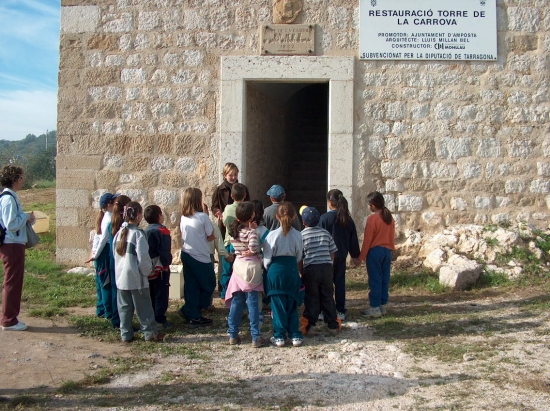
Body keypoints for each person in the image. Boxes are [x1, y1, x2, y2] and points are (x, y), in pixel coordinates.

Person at [113, 201, 164, 343]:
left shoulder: (119, 234)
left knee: (124, 308)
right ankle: (150, 333)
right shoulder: (138, 234)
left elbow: (114, 255)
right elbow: (143, 258)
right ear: (139, 215)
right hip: (136, 278)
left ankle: (126, 334)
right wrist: (148, 271)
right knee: (144, 308)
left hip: (121, 277)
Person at [263, 202, 304, 347]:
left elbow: (267, 258)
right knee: (292, 303)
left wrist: (268, 268)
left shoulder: (271, 235)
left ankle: (279, 335)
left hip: (275, 271)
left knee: (277, 305)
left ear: (276, 216)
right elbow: (299, 256)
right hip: (291, 270)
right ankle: (295, 335)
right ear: (294, 216)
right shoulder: (298, 235)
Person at [0, 166, 35, 331]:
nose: (23, 180)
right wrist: (26, 216)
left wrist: (26, 218)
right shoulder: (8, 199)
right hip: (11, 245)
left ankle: (10, 317)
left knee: (13, 281)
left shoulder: (10, 198)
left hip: (13, 244)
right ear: (14, 179)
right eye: (21, 177)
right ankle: (8, 320)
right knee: (12, 282)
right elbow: (11, 224)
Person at [225, 202, 264, 348]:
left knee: (237, 301)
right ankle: (255, 336)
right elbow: (254, 247)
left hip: (238, 266)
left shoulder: (234, 231)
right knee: (253, 303)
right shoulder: (251, 232)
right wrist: (254, 249)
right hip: (251, 268)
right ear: (251, 215)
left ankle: (233, 334)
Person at [318, 189, 360, 321]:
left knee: (325, 284)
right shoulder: (347, 219)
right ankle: (340, 310)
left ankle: (324, 310)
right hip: (341, 255)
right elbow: (353, 238)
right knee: (340, 282)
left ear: (330, 202)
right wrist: (355, 255)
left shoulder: (324, 219)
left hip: (325, 257)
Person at [177, 187, 216, 327]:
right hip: (200, 255)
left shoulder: (183, 217)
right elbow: (210, 236)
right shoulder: (203, 217)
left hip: (187, 252)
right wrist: (207, 214)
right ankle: (193, 311)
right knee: (208, 283)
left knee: (192, 285)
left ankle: (191, 311)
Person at [299, 207, 340, 336]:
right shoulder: (325, 233)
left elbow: (300, 257)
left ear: (303, 222)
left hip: (311, 269)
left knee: (312, 297)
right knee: (327, 296)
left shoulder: (302, 235)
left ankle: (309, 325)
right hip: (326, 268)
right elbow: (332, 251)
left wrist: (301, 272)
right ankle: (332, 325)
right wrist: (330, 263)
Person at [354, 191, 395, 318]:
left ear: (372, 206)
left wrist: (361, 258)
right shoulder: (389, 217)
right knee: (384, 278)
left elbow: (367, 241)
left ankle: (375, 306)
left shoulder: (372, 219)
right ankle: (382, 304)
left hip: (375, 252)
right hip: (387, 251)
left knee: (375, 279)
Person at [86, 192, 119, 320]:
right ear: (109, 204)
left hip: (101, 252)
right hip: (104, 253)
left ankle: (101, 309)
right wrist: (96, 255)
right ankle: (108, 312)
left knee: (101, 283)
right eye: (115, 202)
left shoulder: (106, 216)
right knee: (105, 284)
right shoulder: (109, 218)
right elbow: (104, 239)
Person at [144, 205, 173, 329]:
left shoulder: (145, 231)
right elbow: (164, 251)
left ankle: (150, 317)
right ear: (160, 216)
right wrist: (166, 264)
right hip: (160, 268)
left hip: (148, 267)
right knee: (161, 293)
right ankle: (159, 319)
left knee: (151, 292)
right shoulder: (162, 231)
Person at [105, 195, 132, 329]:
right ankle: (120, 320)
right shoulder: (124, 225)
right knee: (122, 293)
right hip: (122, 261)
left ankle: (116, 317)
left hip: (113, 260)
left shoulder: (112, 223)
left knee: (115, 290)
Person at [220, 183, 248, 299]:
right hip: (242, 243)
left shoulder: (227, 208)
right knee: (240, 270)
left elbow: (224, 222)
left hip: (228, 241)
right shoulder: (246, 208)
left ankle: (225, 295)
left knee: (226, 270)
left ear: (231, 195)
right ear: (245, 195)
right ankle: (240, 293)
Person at [211, 162, 250, 240]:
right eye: (230, 175)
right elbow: (214, 206)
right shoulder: (219, 190)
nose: (233, 177)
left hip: (241, 223)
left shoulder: (243, 189)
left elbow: (248, 204)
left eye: (235, 175)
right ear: (225, 175)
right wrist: (217, 212)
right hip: (225, 223)